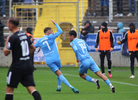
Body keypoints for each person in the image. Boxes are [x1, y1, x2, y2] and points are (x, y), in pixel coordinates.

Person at [34, 19, 79, 93]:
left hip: (49, 60)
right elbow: (60, 31)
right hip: (56, 58)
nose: (52, 32)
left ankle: (71, 87)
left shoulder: (39, 41)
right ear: (48, 32)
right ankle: (59, 86)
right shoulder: (51, 36)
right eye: (51, 31)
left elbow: (33, 47)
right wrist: (55, 24)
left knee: (58, 73)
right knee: (59, 71)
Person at [3, 17, 41, 100]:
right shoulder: (25, 35)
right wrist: (26, 56)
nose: (7, 25)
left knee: (9, 89)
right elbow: (33, 48)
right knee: (31, 88)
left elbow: (6, 52)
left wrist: (7, 41)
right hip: (27, 65)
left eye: (8, 24)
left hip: (17, 66)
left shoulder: (13, 37)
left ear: (11, 25)